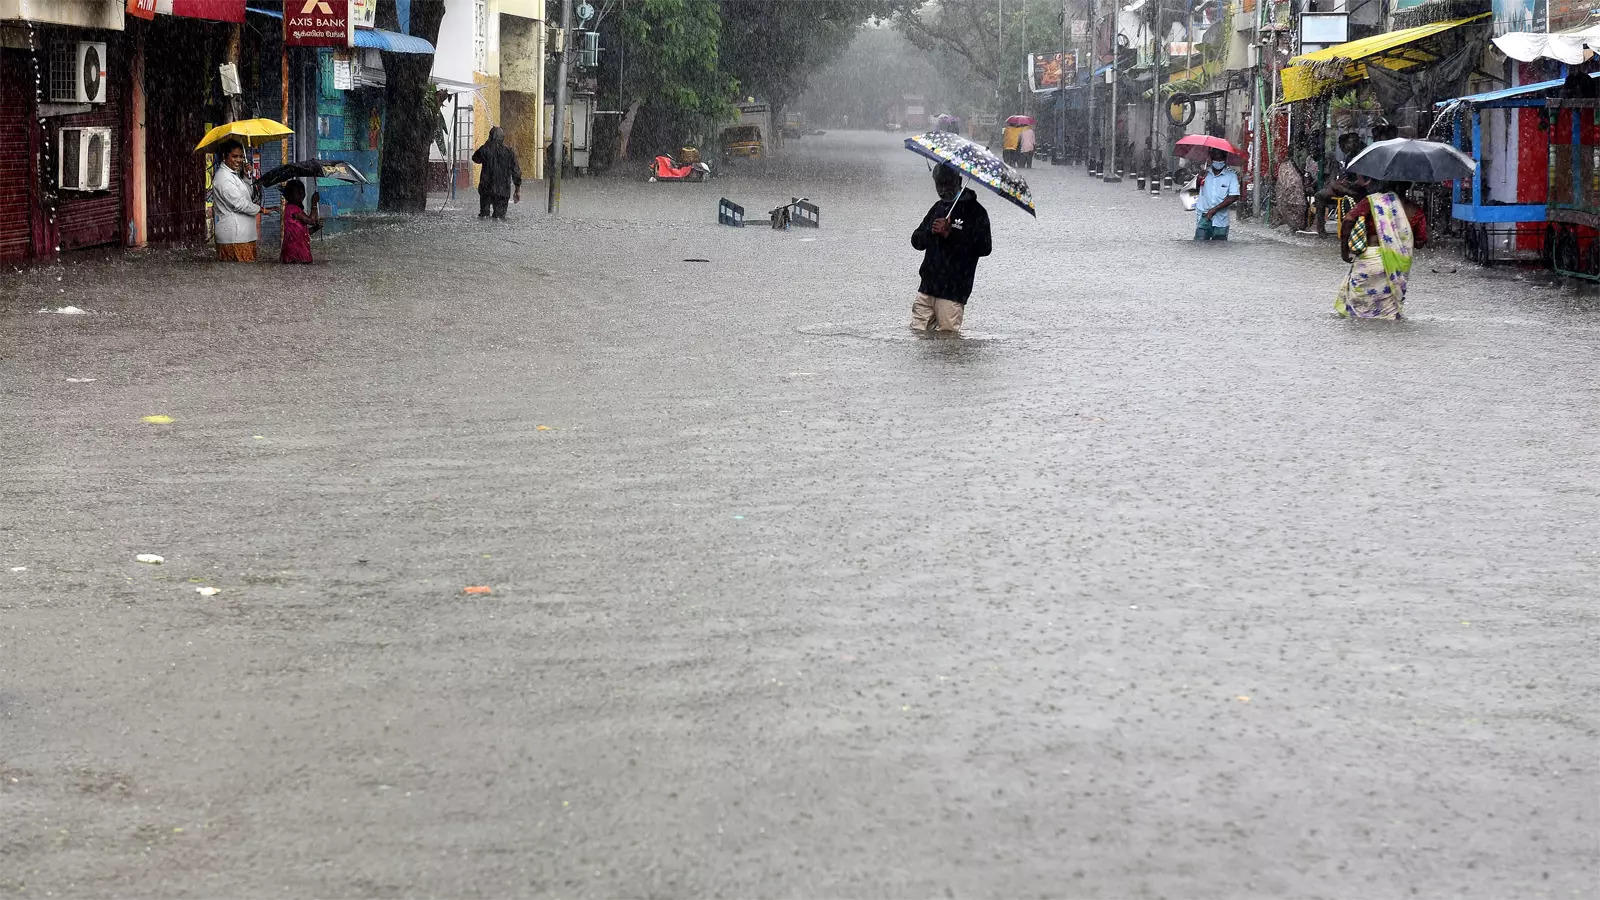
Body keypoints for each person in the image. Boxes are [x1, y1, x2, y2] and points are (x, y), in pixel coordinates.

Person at [910, 163, 992, 333]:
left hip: (953, 292)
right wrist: (931, 232)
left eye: (947, 184)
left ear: (959, 181)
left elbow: (984, 247)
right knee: (917, 337)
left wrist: (951, 234)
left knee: (948, 344)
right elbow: (916, 241)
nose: (942, 190)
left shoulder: (976, 212)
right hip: (927, 288)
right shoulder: (938, 208)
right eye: (938, 184)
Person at [1335, 179, 1428, 320]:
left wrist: (1344, 251)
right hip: (1397, 266)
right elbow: (1420, 242)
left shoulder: (1373, 201)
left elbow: (1348, 220)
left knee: (1356, 311)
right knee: (1389, 314)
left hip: (1369, 261)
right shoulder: (1416, 210)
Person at [210, 139, 272, 262]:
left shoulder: (234, 175)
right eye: (234, 156)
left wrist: (246, 176)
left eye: (241, 157)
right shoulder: (223, 178)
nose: (239, 160)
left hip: (244, 236)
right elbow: (239, 204)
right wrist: (261, 209)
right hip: (234, 237)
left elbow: (247, 196)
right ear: (224, 156)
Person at [1313, 132, 1367, 236]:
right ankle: (1321, 230)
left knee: (1329, 189)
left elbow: (1362, 181)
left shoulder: (1362, 156)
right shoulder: (1349, 157)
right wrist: (1345, 181)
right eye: (1350, 143)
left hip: (1358, 190)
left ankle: (1325, 230)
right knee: (1320, 195)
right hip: (1349, 187)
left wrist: (1349, 183)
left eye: (1354, 142)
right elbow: (1348, 175)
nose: (1352, 145)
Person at [471, 125, 522, 219]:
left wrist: (486, 144)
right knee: (499, 218)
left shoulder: (485, 149)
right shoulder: (509, 152)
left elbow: (475, 158)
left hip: (486, 189)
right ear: (503, 138)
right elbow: (516, 172)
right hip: (502, 191)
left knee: (484, 216)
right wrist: (517, 190)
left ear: (490, 137)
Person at [1194, 148, 1240, 241]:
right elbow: (1195, 190)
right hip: (1204, 216)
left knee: (1220, 247)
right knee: (1199, 245)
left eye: (1221, 159)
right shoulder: (1204, 174)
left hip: (1221, 220)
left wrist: (1215, 209)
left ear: (1225, 159)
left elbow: (1234, 196)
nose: (1218, 161)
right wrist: (1199, 179)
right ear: (1211, 159)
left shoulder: (1231, 176)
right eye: (1216, 158)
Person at [278, 180, 321, 264]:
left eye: (302, 192)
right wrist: (314, 203)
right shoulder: (293, 210)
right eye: (298, 192)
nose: (302, 195)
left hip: (292, 253)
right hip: (297, 253)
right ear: (290, 195)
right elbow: (311, 220)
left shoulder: (293, 209)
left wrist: (316, 228)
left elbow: (302, 233)